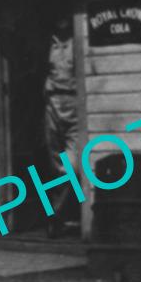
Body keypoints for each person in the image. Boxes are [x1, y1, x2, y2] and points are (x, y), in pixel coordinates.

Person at [42, 14, 79, 237]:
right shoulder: (47, 42)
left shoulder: (78, 41)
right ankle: (59, 218)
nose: (61, 20)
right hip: (52, 103)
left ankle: (57, 214)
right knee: (55, 163)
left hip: (74, 102)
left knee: (72, 165)